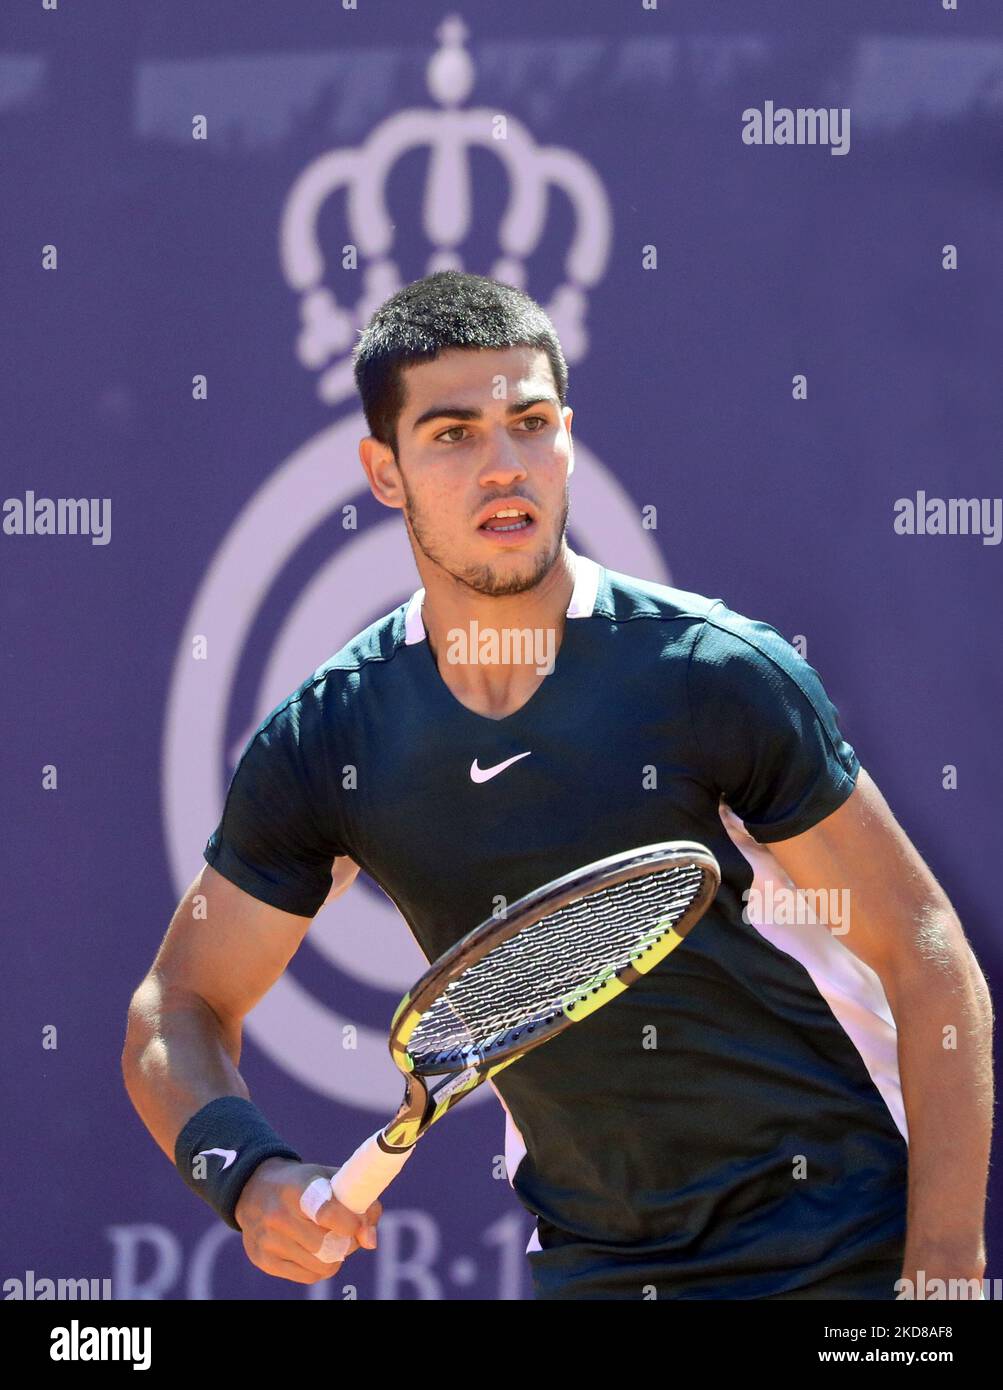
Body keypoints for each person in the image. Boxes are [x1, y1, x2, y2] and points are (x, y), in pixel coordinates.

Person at [122, 270, 992, 1300]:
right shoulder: (330, 737)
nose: (504, 468)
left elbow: (927, 952)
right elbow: (177, 1004)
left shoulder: (712, 675)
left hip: (838, 1256)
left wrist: (941, 1271)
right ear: (383, 470)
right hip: (593, 1273)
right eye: (452, 435)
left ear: (568, 437)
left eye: (530, 424)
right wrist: (249, 1173)